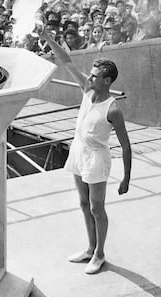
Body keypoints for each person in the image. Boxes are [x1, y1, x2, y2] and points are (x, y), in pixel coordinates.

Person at [40, 27, 131, 274]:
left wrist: (126, 178)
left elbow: (125, 145)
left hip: (97, 159)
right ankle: (90, 248)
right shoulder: (87, 90)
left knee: (96, 208)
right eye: (90, 75)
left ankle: (100, 254)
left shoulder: (113, 109)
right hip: (79, 152)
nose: (89, 79)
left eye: (94, 76)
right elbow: (66, 61)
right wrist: (49, 38)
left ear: (108, 81)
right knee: (83, 203)